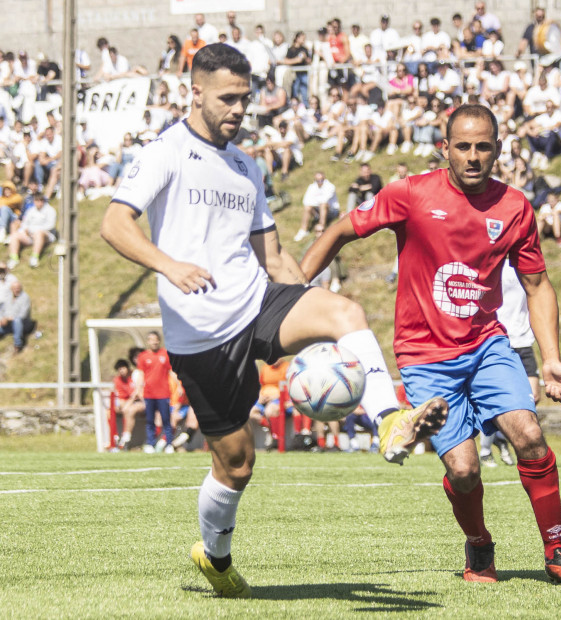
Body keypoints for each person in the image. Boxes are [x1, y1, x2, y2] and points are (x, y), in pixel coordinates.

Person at [99, 44, 447, 598]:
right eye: (227, 98)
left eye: (245, 98)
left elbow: (276, 259)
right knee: (236, 464)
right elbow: (115, 224)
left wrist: (316, 304)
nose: (239, 108)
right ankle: (215, 559)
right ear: (195, 92)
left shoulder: (247, 167)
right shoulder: (165, 152)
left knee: (345, 311)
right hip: (201, 335)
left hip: (256, 302)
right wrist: (169, 265)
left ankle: (389, 420)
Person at [301, 104, 561, 588]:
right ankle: (479, 544)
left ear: (499, 150)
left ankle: (556, 548)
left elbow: (538, 285)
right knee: (463, 470)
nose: (473, 156)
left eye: (484, 146)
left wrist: (552, 359)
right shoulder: (411, 194)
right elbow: (338, 231)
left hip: (487, 345)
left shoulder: (515, 207)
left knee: (528, 435)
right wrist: (293, 292)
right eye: (463, 146)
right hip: (424, 357)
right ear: (445, 148)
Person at [135, 331, 173, 453]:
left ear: (159, 340)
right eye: (151, 339)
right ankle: (151, 444)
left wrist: (179, 385)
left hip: (163, 393)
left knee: (166, 419)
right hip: (149, 394)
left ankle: (169, 444)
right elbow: (141, 374)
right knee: (150, 420)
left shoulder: (165, 354)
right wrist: (139, 389)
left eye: (156, 339)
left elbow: (171, 372)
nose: (154, 342)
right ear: (148, 341)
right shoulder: (143, 356)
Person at [6, 192, 56, 269]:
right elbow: (25, 223)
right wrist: (26, 230)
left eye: (40, 200)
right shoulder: (31, 211)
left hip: (45, 235)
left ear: (43, 201)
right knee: (14, 235)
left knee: (39, 233)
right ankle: (14, 258)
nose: (39, 203)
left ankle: (34, 257)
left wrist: (35, 231)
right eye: (37, 201)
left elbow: (50, 225)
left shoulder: (50, 210)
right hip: (30, 235)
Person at [0, 280, 33, 355]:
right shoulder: (7, 298)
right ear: (11, 289)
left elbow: (23, 315)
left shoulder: (25, 298)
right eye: (15, 288)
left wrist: (9, 319)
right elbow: (1, 311)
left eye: (18, 288)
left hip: (20, 325)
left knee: (17, 320)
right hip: (6, 325)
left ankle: (17, 345)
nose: (16, 290)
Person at [293, 171, 340, 241]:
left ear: (324, 178)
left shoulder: (330, 186)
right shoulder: (312, 187)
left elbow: (324, 200)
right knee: (307, 207)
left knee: (323, 205)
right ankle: (303, 230)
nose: (319, 181)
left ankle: (321, 228)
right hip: (318, 210)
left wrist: (314, 200)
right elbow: (305, 201)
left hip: (332, 211)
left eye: (321, 179)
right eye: (317, 180)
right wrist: (316, 201)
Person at [112, 358, 146, 450]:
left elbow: (138, 393)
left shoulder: (136, 375)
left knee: (130, 410)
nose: (121, 371)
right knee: (112, 411)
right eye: (119, 369)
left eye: (123, 368)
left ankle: (126, 438)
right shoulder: (118, 380)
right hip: (129, 403)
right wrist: (124, 405)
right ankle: (114, 437)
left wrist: (127, 404)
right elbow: (121, 398)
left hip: (143, 401)